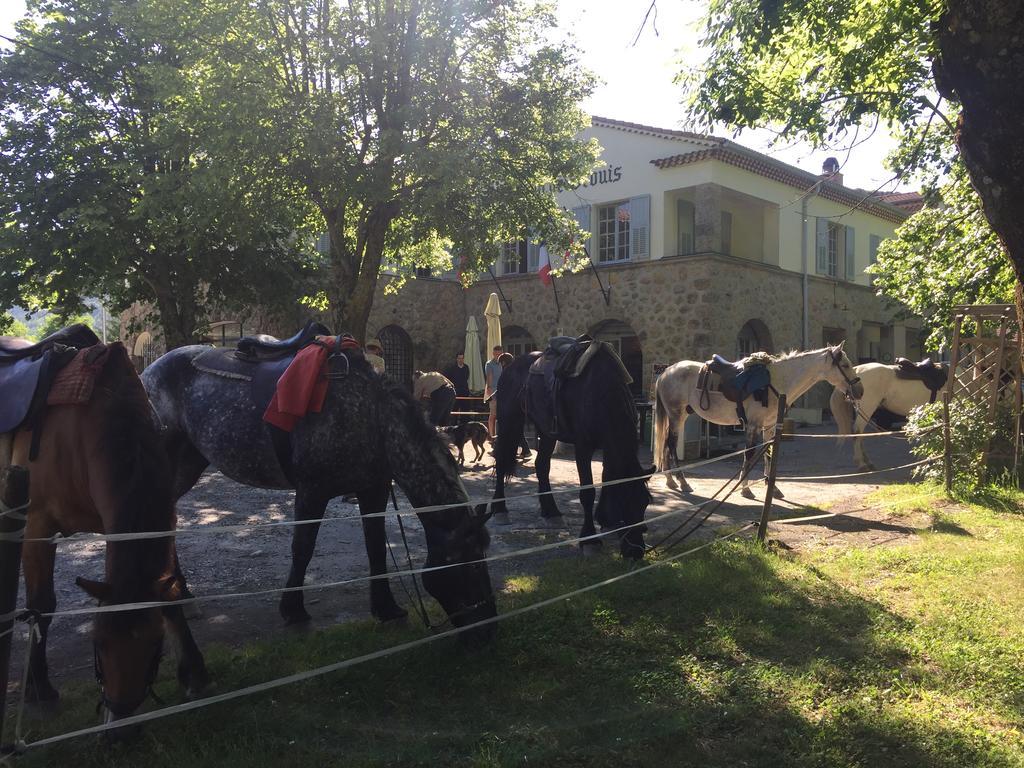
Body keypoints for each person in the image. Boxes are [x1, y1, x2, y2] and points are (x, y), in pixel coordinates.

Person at [497, 351, 531, 460]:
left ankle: (523, 450)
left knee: (514, 429)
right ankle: (524, 450)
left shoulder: (508, 372)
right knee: (517, 429)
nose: (501, 366)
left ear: (503, 362)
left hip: (513, 406)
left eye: (501, 363)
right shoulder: (517, 371)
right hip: (518, 405)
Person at [484, 345, 503, 439]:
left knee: (502, 414)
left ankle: (500, 435)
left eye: (499, 354)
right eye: (495, 354)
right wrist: (490, 390)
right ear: (493, 353)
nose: (497, 356)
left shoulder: (503, 363)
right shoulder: (489, 364)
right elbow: (489, 378)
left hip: (504, 392)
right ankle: (491, 435)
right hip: (494, 391)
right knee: (493, 414)